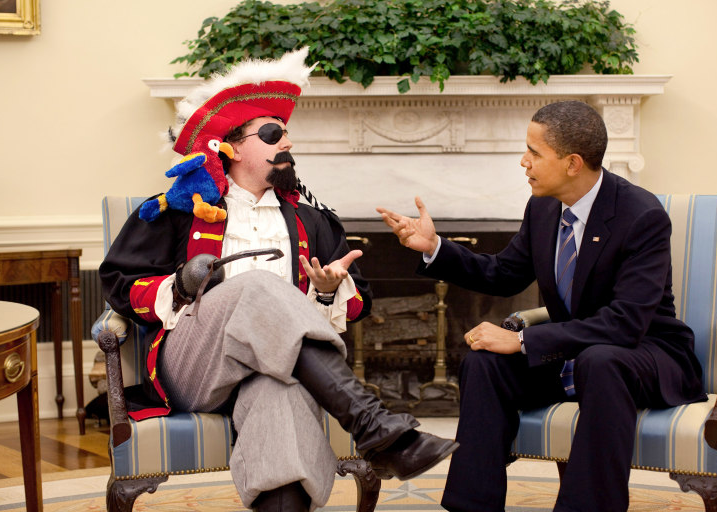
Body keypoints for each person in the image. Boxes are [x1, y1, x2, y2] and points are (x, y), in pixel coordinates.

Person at [100, 47, 458, 512]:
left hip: (279, 369)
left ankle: (366, 445)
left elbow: (357, 305)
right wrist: (182, 287)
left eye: (287, 133)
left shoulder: (312, 221)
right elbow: (119, 285)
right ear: (230, 146)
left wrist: (328, 291)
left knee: (280, 399)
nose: (285, 142)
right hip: (193, 365)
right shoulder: (178, 212)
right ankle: (372, 423)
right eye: (271, 133)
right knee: (255, 285)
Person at [376, 100, 706, 511]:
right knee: (483, 361)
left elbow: (626, 323)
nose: (523, 162)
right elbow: (503, 274)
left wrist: (523, 341)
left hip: (645, 353)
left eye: (534, 153)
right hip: (576, 353)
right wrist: (435, 248)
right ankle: (471, 507)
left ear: (572, 163)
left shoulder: (641, 215)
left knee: (600, 361)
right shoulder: (544, 207)